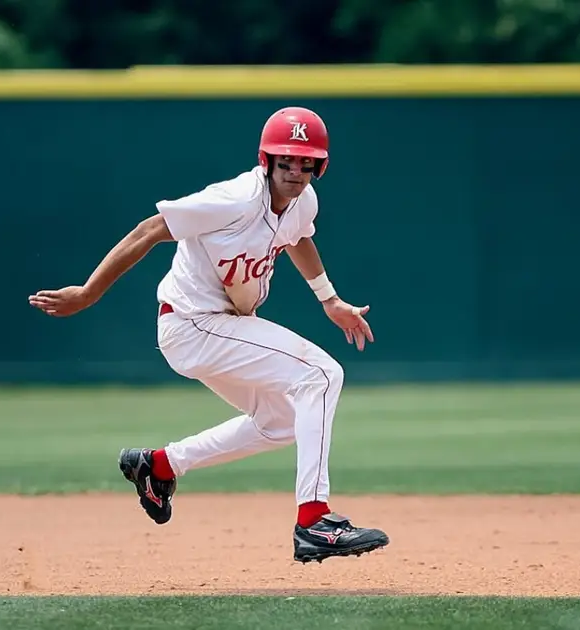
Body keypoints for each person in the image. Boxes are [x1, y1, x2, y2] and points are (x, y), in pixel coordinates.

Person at [28, 106, 389, 564]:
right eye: (286, 160)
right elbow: (150, 230)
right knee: (321, 375)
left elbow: (298, 236)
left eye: (305, 161)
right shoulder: (235, 199)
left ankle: (159, 466)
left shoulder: (304, 201)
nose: (295, 170)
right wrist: (89, 291)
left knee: (280, 422)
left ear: (319, 166)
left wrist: (329, 299)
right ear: (267, 160)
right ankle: (313, 521)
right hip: (193, 323)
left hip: (221, 325)